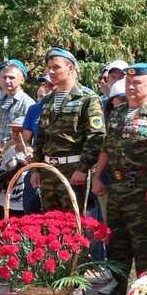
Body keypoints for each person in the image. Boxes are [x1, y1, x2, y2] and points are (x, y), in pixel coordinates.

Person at [91, 63, 147, 295]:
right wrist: (97, 177)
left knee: (144, 244)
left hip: (141, 188)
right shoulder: (117, 112)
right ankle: (116, 293)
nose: (132, 87)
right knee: (116, 243)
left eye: (137, 83)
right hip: (115, 186)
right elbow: (106, 147)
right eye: (129, 83)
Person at [31, 47, 106, 212]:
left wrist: (82, 169)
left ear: (70, 68)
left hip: (73, 171)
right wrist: (36, 168)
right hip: (48, 171)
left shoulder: (87, 98)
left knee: (73, 224)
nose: (50, 71)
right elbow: (41, 137)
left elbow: (96, 137)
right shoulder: (48, 100)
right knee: (49, 224)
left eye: (56, 67)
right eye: (48, 67)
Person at [0, 116, 31, 221]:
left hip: (24, 203)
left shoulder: (34, 153)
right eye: (13, 131)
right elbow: (0, 176)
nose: (16, 135)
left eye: (20, 131)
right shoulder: (9, 151)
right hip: (7, 202)